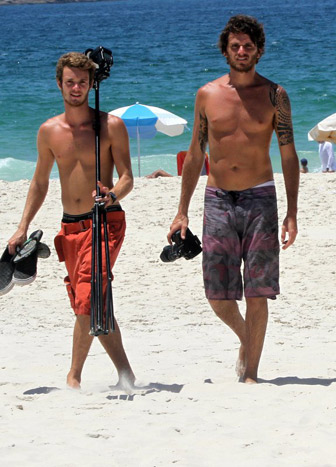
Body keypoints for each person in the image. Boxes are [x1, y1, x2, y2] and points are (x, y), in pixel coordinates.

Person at [168, 15, 299, 384]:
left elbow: (288, 154)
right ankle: (248, 340)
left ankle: (251, 373)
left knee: (258, 290)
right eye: (235, 45)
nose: (242, 51)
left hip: (261, 198)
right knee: (217, 293)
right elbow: (195, 153)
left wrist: (292, 211)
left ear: (259, 50)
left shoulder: (276, 95)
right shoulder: (207, 94)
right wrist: (181, 211)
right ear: (225, 50)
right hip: (218, 198)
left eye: (248, 46)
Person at [6, 52, 136, 390]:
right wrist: (22, 226)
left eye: (82, 81)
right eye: (70, 82)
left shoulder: (110, 126)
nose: (76, 87)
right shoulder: (49, 131)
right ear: (59, 84)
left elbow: (127, 177)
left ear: (91, 84)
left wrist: (113, 195)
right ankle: (125, 374)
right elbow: (39, 182)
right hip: (70, 227)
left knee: (88, 296)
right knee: (93, 301)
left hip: (105, 221)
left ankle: (73, 377)